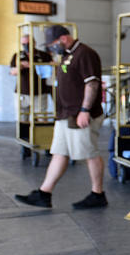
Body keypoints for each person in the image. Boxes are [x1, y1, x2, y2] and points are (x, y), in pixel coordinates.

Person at [15, 24, 108, 209]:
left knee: (89, 152)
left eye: (52, 44)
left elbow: (92, 84)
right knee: (59, 153)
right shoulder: (67, 55)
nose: (51, 48)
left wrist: (84, 110)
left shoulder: (84, 53)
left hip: (78, 114)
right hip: (65, 114)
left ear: (64, 39)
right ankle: (44, 193)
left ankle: (98, 194)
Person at [10, 33, 52, 158]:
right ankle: (25, 146)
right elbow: (12, 72)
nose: (26, 46)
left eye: (28, 44)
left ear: (33, 43)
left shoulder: (43, 55)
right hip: (22, 93)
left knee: (42, 118)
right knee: (23, 119)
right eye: (23, 44)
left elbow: (51, 68)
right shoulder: (18, 56)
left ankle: (45, 144)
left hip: (39, 92)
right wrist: (21, 66)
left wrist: (37, 65)